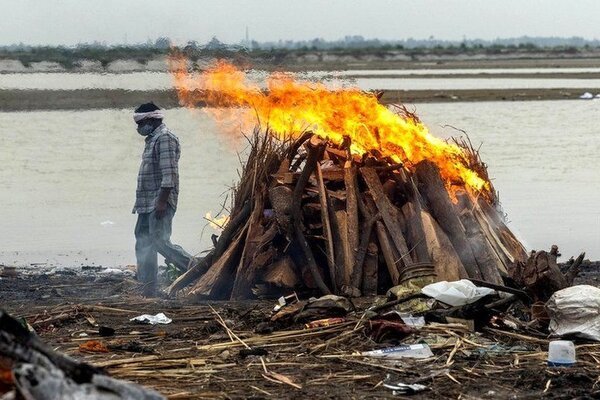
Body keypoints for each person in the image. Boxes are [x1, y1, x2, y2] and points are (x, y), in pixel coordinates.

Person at [132, 102, 193, 296]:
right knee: (143, 241)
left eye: (141, 122)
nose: (138, 127)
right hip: (145, 203)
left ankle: (195, 270)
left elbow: (169, 175)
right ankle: (148, 286)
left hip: (159, 202)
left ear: (152, 120)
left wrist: (161, 202)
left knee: (160, 241)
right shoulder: (152, 140)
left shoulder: (165, 139)